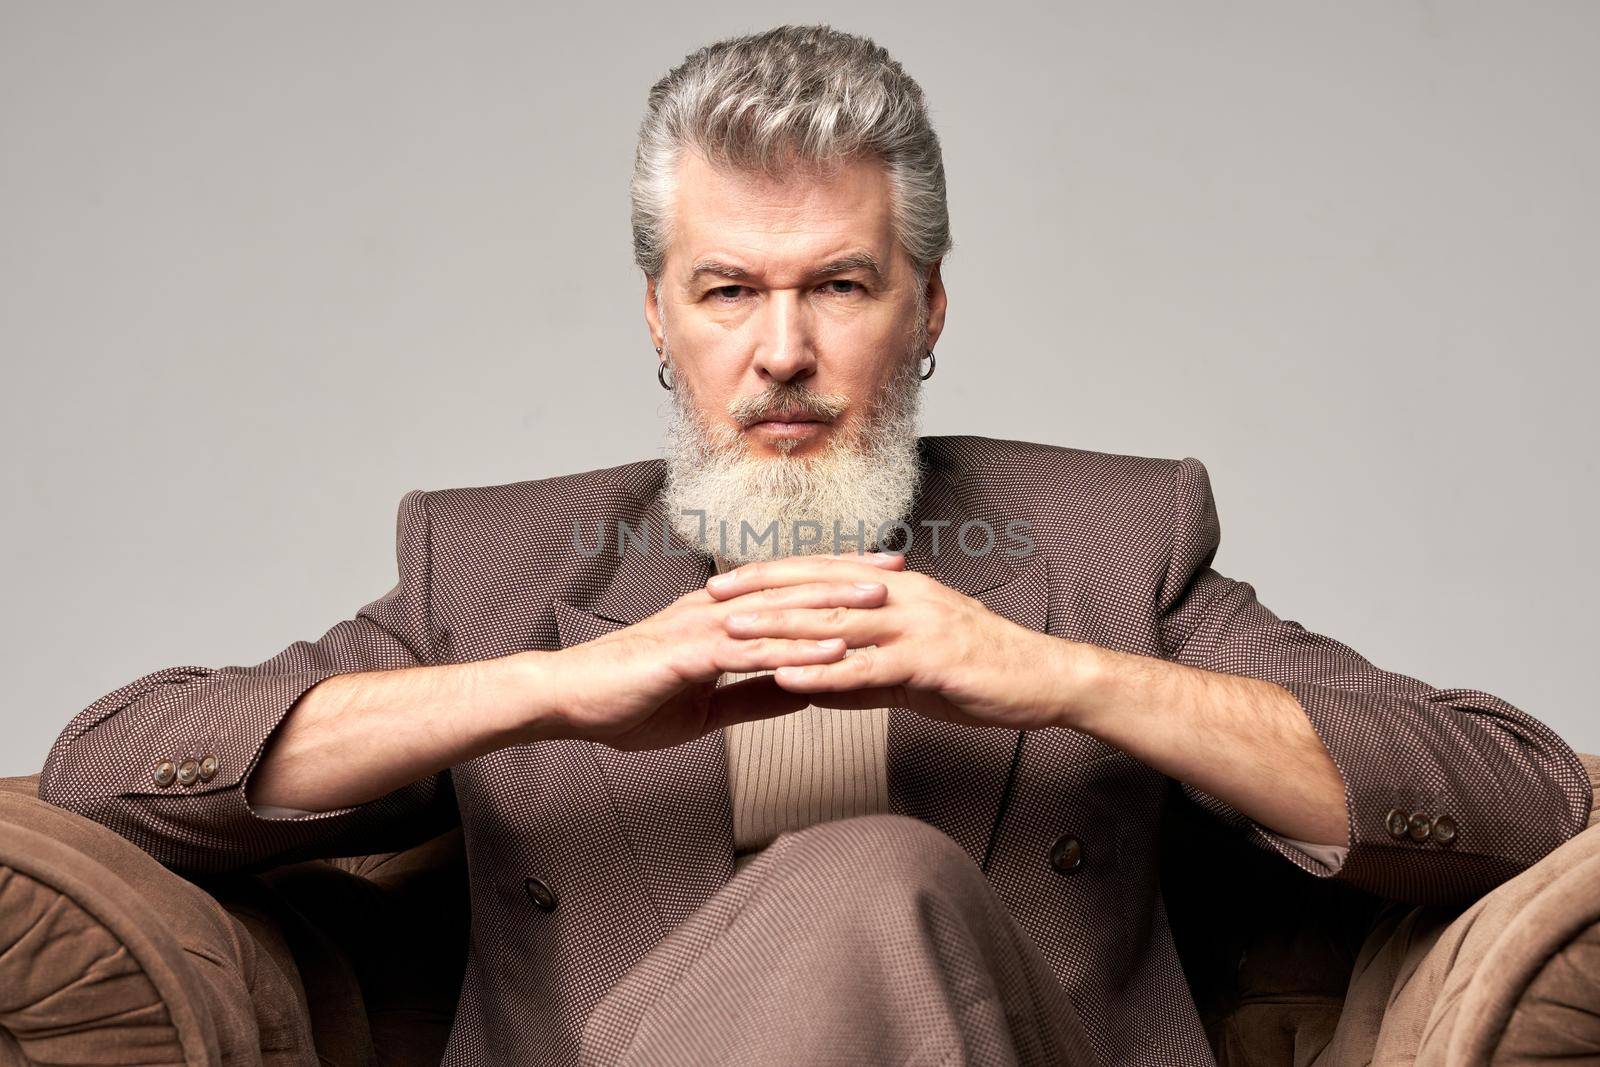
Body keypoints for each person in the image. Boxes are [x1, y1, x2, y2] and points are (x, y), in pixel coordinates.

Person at [38, 23, 1591, 1067]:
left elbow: (1522, 795)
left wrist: (1061, 676)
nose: (782, 351)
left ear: (927, 309)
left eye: (840, 287)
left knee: (870, 881)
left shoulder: (1110, 542)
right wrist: (554, 691)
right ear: (660, 319)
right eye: (729, 293)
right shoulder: (497, 570)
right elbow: (114, 765)